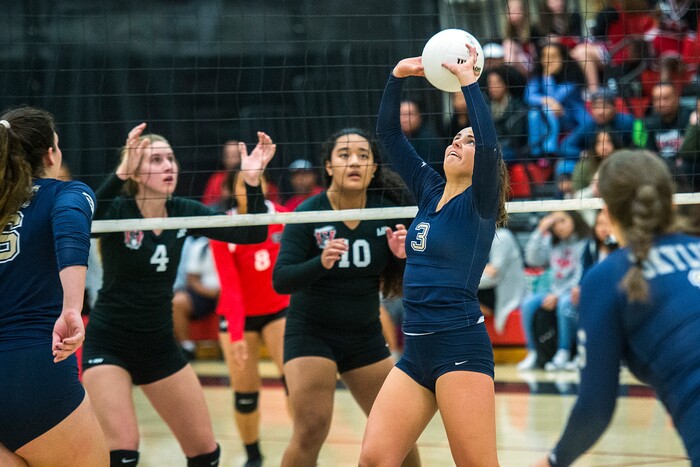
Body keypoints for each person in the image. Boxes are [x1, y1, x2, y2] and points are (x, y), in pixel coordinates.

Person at [81, 124, 274, 466]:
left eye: (171, 158)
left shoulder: (182, 210)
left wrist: (253, 183)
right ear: (135, 172)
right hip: (110, 342)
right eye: (155, 160)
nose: (168, 165)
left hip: (158, 345)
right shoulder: (118, 210)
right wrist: (120, 172)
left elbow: (254, 232)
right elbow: (87, 221)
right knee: (123, 453)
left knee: (206, 453)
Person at [360, 43, 509, 467]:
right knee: (375, 459)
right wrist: (397, 76)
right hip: (416, 350)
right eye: (456, 138)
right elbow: (388, 135)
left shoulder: (480, 201)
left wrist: (469, 83)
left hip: (460, 347)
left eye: (469, 140)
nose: (458, 142)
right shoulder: (429, 190)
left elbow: (490, 145)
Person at [532, 149, 700, 466]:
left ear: (607, 212)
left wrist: (553, 461)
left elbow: (595, 408)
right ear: (670, 200)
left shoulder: (606, 278)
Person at [272, 127, 419, 467]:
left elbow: (412, 278)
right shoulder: (310, 213)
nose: (354, 162)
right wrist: (320, 262)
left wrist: (404, 256)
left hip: (364, 337)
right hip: (311, 334)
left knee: (399, 432)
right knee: (310, 428)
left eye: (363, 156)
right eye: (344, 155)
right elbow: (281, 280)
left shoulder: (386, 213)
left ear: (373, 168)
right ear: (328, 166)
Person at [0, 106, 109, 466]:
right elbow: (70, 233)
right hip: (34, 369)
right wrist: (72, 308)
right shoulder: (65, 193)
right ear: (51, 154)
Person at [210, 168, 290, 467]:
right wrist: (236, 334)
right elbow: (229, 287)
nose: (252, 187)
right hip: (238, 314)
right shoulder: (225, 227)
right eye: (243, 184)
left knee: (295, 383)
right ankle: (253, 456)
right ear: (232, 190)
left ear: (266, 184)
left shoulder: (284, 216)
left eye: (257, 181)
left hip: (279, 310)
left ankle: (302, 447)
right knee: (245, 393)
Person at [518, 210, 591, 372]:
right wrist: (540, 230)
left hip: (572, 291)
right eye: (555, 223)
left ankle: (563, 351)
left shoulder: (584, 242)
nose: (559, 227)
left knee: (564, 303)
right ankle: (533, 352)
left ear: (574, 219)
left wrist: (558, 295)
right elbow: (532, 259)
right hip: (553, 290)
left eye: (563, 221)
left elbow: (580, 274)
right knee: (528, 304)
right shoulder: (552, 241)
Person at [171, 235, 220, 359]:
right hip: (204, 292)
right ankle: (187, 347)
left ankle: (231, 345)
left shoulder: (235, 243)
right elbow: (192, 279)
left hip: (231, 291)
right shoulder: (200, 246)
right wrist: (211, 292)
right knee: (177, 302)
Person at [478, 227, 528, 334]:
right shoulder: (470, 237)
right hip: (476, 291)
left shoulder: (502, 237)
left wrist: (463, 278)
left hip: (497, 296)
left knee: (451, 295)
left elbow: (492, 277)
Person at [400, 99, 445, 176]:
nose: (405, 119)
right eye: (401, 114)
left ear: (419, 116)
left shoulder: (429, 140)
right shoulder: (397, 139)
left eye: (409, 114)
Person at [201, 140, 242, 206]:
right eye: (228, 156)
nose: (232, 160)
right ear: (224, 159)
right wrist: (224, 199)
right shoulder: (216, 179)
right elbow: (207, 205)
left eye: (235, 155)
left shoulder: (250, 177)